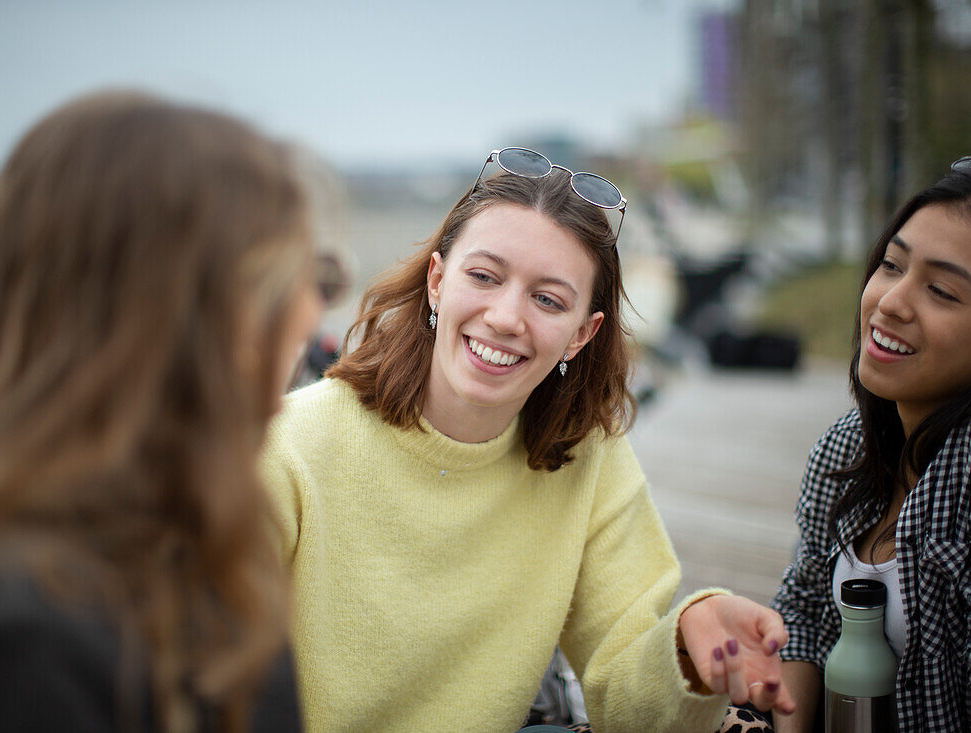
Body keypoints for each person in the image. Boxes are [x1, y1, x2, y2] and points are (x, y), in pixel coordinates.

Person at [260, 147, 795, 733]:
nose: (506, 318)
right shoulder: (288, 446)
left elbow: (624, 688)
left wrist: (689, 650)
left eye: (548, 300)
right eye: (484, 277)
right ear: (438, 281)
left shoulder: (585, 457)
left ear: (581, 335)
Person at [0, 91, 328, 732]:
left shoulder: (171, 544)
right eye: (297, 286)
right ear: (198, 328)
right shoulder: (20, 645)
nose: (312, 315)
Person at [770, 157, 971, 732]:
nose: (891, 302)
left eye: (941, 291)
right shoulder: (847, 446)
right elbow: (803, 613)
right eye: (892, 265)